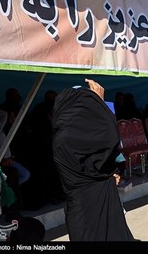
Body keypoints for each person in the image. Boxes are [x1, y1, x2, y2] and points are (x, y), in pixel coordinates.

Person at [52, 79, 134, 241]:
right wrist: (101, 103)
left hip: (85, 207)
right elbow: (111, 138)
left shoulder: (61, 136)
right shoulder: (67, 138)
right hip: (90, 205)